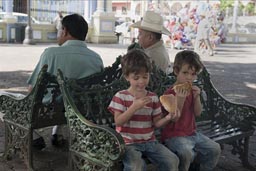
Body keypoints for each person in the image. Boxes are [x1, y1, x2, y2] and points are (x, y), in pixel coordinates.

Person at [28, 13, 104, 149]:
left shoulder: (50, 54)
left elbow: (32, 89)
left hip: (47, 111)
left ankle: (34, 137)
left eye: (59, 29)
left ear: (65, 31)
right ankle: (58, 134)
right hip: (81, 109)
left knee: (3, 98)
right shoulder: (96, 58)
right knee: (68, 97)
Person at [108, 49, 179, 171]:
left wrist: (168, 118)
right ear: (127, 77)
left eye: (145, 77)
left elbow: (156, 123)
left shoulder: (152, 97)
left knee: (172, 160)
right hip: (128, 143)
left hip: (150, 141)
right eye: (136, 78)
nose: (141, 81)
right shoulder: (120, 96)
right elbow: (119, 122)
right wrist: (134, 107)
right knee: (137, 167)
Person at [161, 50, 221, 171]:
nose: (189, 77)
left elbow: (198, 113)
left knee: (215, 148)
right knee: (187, 154)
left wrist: (197, 96)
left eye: (193, 74)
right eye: (185, 73)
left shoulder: (192, 91)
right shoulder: (169, 95)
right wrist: (180, 99)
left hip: (192, 133)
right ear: (176, 71)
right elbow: (174, 118)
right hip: (173, 136)